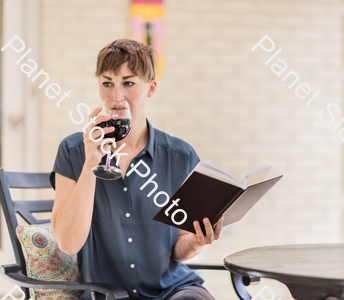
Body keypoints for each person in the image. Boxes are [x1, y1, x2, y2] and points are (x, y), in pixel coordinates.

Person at [49, 39, 223, 300]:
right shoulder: (73, 151)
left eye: (128, 83)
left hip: (172, 291)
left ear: (151, 88)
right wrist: (90, 165)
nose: (116, 96)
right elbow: (68, 243)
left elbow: (179, 250)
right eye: (107, 83)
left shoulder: (181, 156)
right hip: (106, 294)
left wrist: (196, 242)